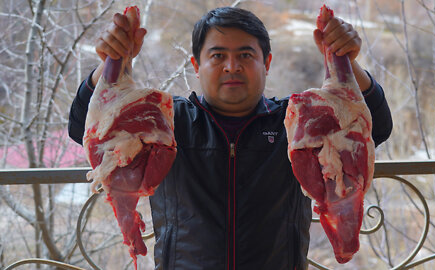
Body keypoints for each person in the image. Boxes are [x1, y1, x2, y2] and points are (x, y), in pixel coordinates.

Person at [68, 6, 392, 270]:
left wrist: (347, 64)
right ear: (197, 65)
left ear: (266, 62)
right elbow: (84, 127)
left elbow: (375, 128)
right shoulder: (168, 122)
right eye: (218, 56)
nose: (231, 66)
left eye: (246, 55)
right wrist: (109, 66)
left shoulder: (294, 123)